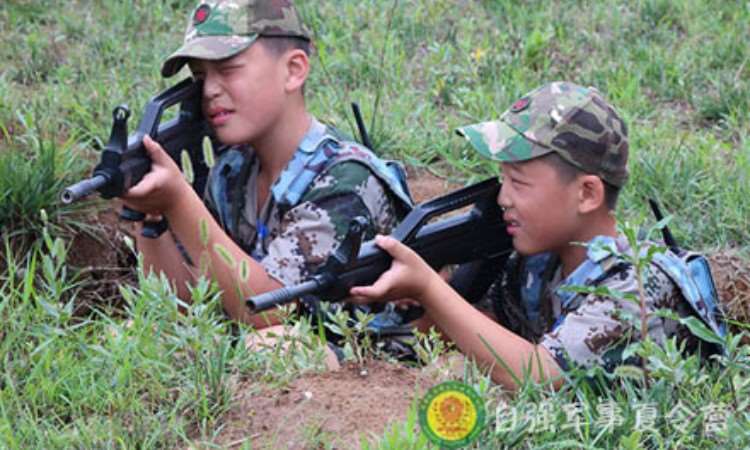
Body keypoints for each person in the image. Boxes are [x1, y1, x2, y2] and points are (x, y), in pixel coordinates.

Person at [350, 81, 725, 390]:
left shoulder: (635, 286)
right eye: (502, 179)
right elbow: (484, 327)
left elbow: (539, 376)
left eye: (519, 183)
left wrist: (430, 289)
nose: (502, 198)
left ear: (587, 194)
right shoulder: (539, 267)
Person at [121, 0, 412, 332]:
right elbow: (186, 304)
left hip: (369, 356)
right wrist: (151, 218)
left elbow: (272, 311)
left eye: (228, 69)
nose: (210, 90)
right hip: (280, 347)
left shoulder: (345, 179)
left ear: (293, 70)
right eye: (200, 77)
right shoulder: (233, 171)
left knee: (270, 345)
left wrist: (178, 201)